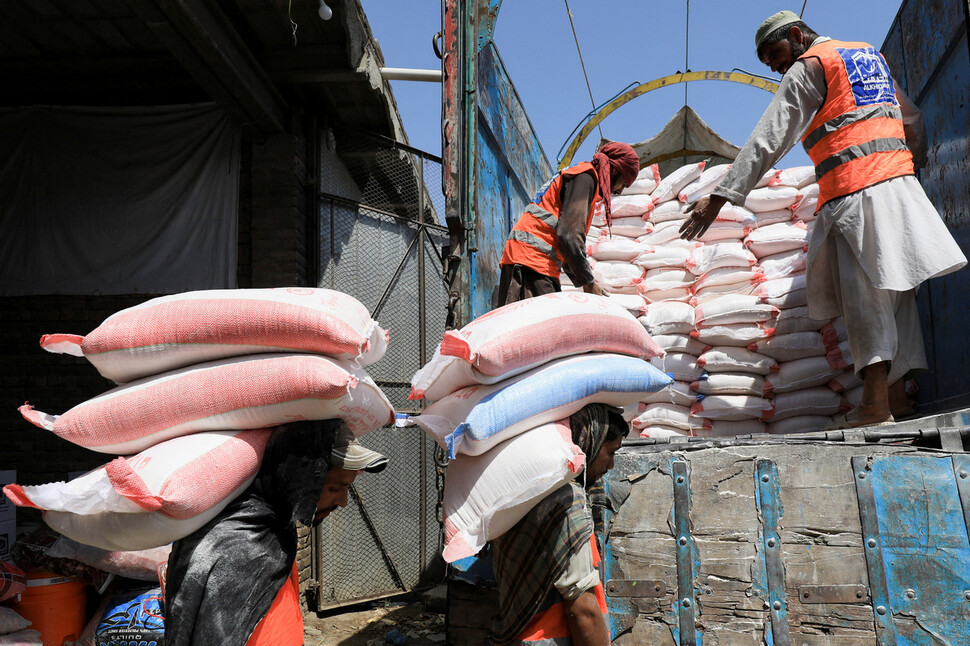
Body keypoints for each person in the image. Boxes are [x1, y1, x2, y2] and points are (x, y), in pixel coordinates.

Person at [680, 10, 966, 428]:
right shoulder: (867, 56)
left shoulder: (809, 66)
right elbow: (913, 118)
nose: (777, 67)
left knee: (863, 295)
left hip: (856, 189)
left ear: (796, 35)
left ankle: (873, 404)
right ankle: (898, 399)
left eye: (775, 55)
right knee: (898, 292)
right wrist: (909, 165)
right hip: (898, 185)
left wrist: (722, 195)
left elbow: (770, 136)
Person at [164, 420, 388, 645]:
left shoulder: (274, 529)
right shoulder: (236, 549)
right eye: (334, 488)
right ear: (298, 480)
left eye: (347, 488)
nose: (343, 502)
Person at [489, 404, 627, 645]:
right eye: (611, 452)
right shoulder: (567, 501)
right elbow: (583, 609)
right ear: (590, 443)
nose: (611, 465)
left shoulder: (528, 488)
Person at [497, 141, 641, 305]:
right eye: (623, 183)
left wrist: (586, 281)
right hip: (530, 263)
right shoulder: (585, 178)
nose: (620, 190)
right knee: (543, 327)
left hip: (534, 263)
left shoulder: (581, 176)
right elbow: (568, 236)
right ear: (614, 169)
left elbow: (566, 244)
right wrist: (588, 283)